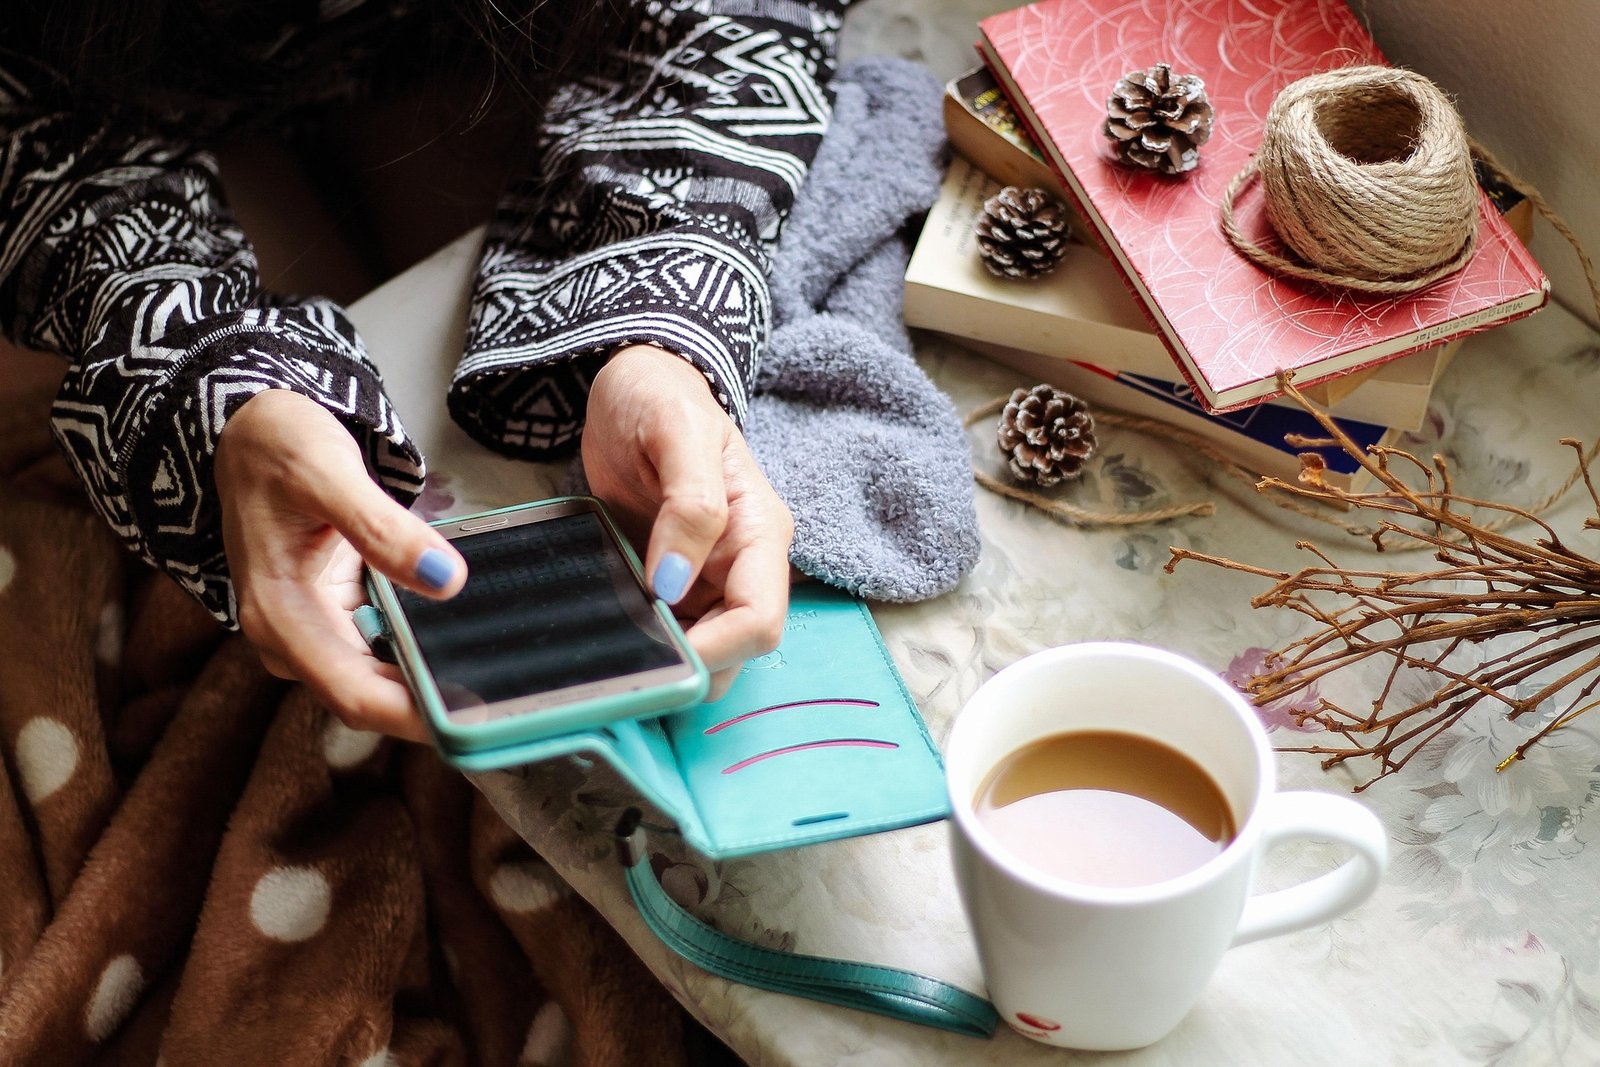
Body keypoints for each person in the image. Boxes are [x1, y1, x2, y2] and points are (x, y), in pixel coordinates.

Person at [1, 0, 851, 740]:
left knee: (429, 424)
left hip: (482, 38)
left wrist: (657, 327)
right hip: (90, 69)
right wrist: (215, 392)